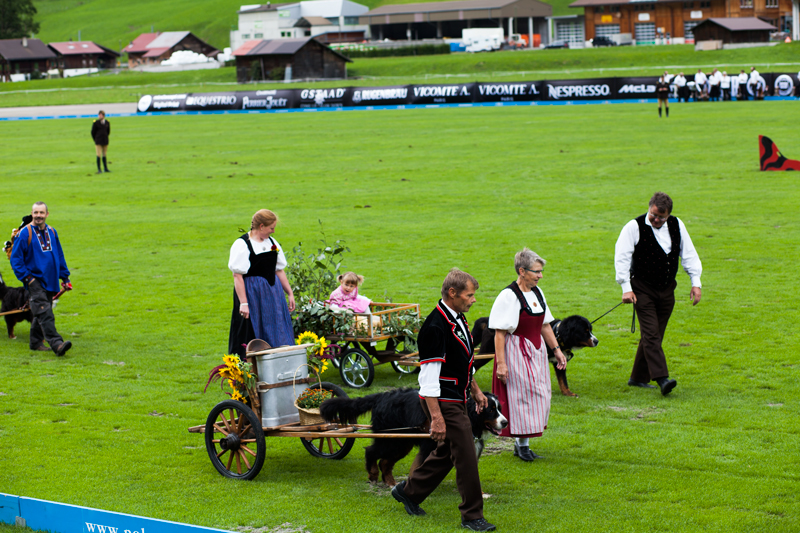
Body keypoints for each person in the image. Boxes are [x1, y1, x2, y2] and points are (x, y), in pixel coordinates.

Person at [391, 269, 495, 532]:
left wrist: (476, 390)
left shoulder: (457, 317)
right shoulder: (435, 327)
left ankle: (410, 492)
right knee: (467, 455)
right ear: (452, 293)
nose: (473, 300)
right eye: (469, 295)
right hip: (443, 402)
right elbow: (428, 379)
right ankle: (472, 516)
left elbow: (463, 362)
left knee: (449, 452)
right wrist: (436, 418)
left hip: (456, 397)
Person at [614, 192, 702, 396]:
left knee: (654, 335)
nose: (656, 220)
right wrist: (626, 287)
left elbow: (689, 254)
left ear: (669, 215)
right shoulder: (633, 227)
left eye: (661, 217)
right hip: (641, 289)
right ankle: (662, 379)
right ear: (650, 207)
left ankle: (637, 378)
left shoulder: (677, 225)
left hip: (667, 289)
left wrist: (695, 283)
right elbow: (622, 257)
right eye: (653, 215)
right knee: (652, 334)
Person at [489, 248, 566, 461]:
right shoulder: (508, 296)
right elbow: (499, 333)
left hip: (537, 350)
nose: (540, 276)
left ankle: (523, 443)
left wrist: (557, 351)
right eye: (536, 271)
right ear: (522, 271)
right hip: (515, 350)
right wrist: (501, 364)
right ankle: (522, 445)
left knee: (539, 394)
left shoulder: (538, 293)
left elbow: (545, 325)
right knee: (521, 397)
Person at [227, 209, 295, 356]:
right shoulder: (242, 244)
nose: (274, 231)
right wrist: (243, 303)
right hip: (252, 294)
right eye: (271, 228)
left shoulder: (272, 243)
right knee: (252, 330)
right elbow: (237, 276)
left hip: (273, 294)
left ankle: (279, 363)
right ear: (261, 226)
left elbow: (279, 270)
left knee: (277, 327)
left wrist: (289, 293)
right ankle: (249, 369)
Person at [9, 201, 73, 356]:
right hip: (34, 281)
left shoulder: (52, 232)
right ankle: (57, 344)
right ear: (32, 214)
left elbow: (59, 255)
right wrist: (28, 279)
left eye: (41, 213)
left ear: (47, 214)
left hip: (50, 280)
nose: (38, 216)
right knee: (45, 312)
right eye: (35, 213)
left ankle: (36, 343)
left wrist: (65, 277)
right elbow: (15, 260)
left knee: (41, 311)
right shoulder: (25, 233)